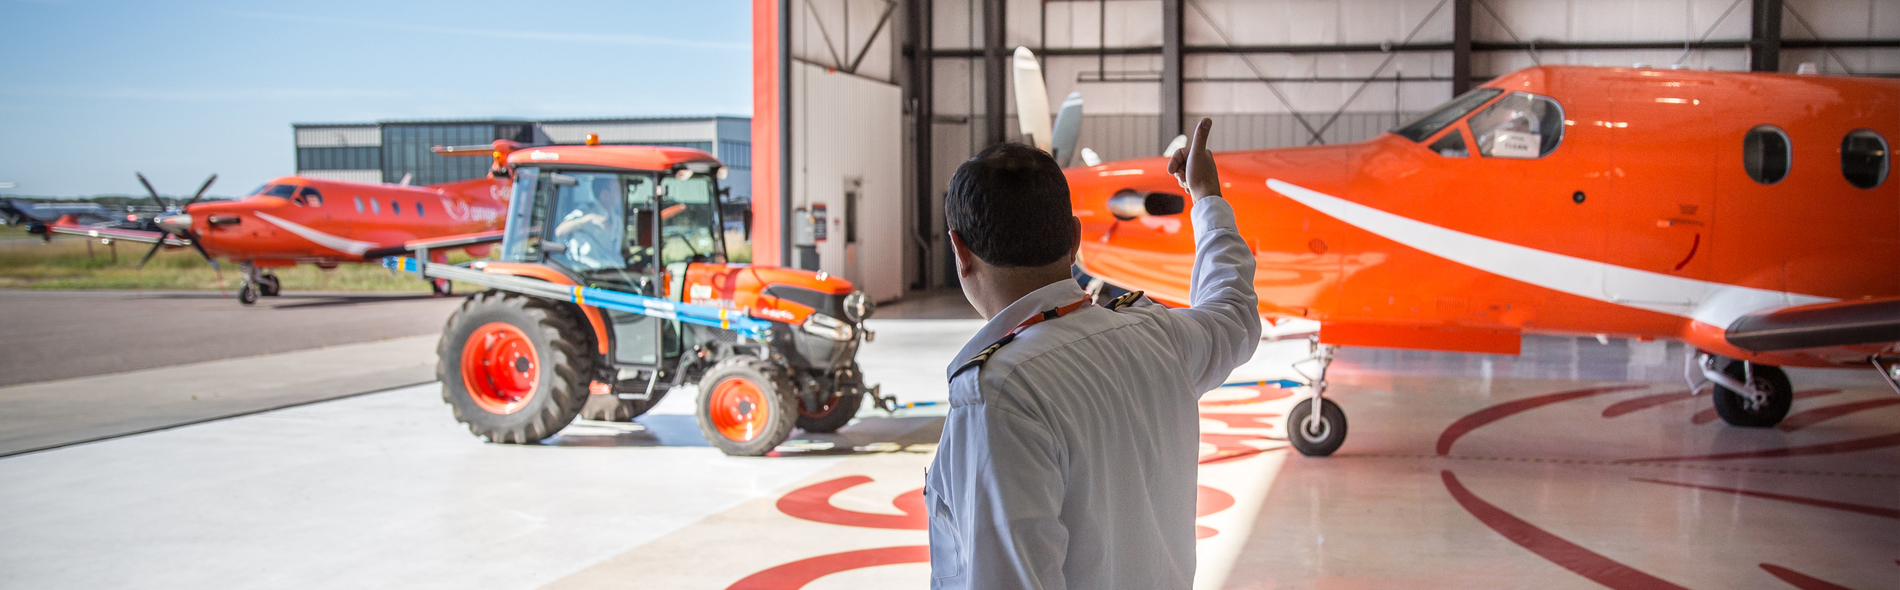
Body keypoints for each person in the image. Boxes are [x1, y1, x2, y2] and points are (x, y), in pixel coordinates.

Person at [927, 119, 1259, 589]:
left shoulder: (1000, 395)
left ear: (960, 251)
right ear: (1075, 240)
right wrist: (1206, 198)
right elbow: (1234, 313)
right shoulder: (1157, 337)